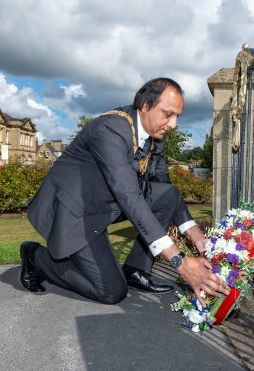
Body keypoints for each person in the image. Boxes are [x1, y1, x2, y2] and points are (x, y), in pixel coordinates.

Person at [20, 77, 229, 305]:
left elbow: (165, 190)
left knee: (169, 196)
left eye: (177, 116)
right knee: (111, 291)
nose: (174, 124)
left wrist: (196, 235)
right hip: (75, 213)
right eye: (168, 114)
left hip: (105, 205)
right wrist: (180, 262)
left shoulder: (154, 137)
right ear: (145, 106)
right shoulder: (111, 129)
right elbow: (128, 195)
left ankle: (135, 270)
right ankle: (35, 257)